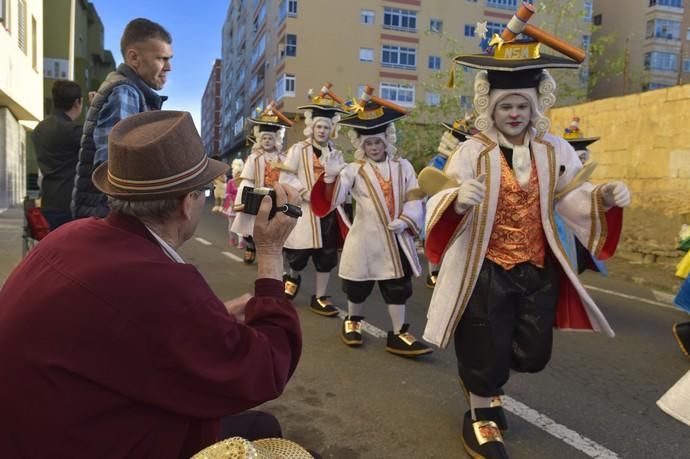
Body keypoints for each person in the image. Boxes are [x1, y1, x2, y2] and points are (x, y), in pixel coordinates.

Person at [0, 111, 304, 458]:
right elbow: (265, 369)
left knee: (258, 425)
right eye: (202, 189)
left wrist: (212, 317)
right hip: (84, 439)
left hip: (36, 429)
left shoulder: (70, 235)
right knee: (262, 433)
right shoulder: (159, 284)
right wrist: (269, 252)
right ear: (186, 203)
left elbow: (116, 328)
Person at [421, 26, 631, 458]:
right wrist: (458, 200)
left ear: (535, 106)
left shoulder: (555, 149)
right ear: (490, 109)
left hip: (536, 266)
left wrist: (604, 197)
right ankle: (480, 416)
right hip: (484, 266)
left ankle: (485, 380)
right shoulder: (472, 152)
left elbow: (572, 196)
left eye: (522, 105)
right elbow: (439, 194)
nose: (514, 113)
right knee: (484, 344)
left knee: (532, 352)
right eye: (506, 106)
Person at [311, 86, 432, 357]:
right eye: (368, 143)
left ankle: (399, 332)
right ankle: (353, 321)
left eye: (378, 142)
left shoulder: (404, 166)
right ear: (361, 145)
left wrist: (407, 219)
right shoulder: (354, 170)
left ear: (387, 141)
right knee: (358, 285)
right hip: (364, 239)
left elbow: (415, 196)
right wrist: (331, 176)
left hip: (395, 238)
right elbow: (336, 198)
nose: (374, 147)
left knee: (397, 287)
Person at [72, 18, 172, 219]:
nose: (169, 67)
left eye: (170, 59)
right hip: (106, 217)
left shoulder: (127, 90)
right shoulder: (125, 92)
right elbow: (115, 167)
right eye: (162, 59)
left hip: (101, 213)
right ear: (134, 58)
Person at [279, 83, 350, 316]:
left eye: (326, 127)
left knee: (326, 255)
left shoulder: (335, 153)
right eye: (319, 126)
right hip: (305, 210)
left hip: (328, 212)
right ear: (312, 127)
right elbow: (286, 175)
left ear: (332, 130)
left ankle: (320, 296)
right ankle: (292, 277)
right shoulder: (298, 150)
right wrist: (304, 192)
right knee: (298, 253)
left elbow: (343, 180)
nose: (322, 130)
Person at [232, 103, 293, 263]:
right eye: (264, 138)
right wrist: (244, 199)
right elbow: (247, 180)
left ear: (276, 140)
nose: (267, 141)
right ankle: (251, 246)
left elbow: (288, 177)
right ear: (259, 139)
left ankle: (272, 253)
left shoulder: (283, 158)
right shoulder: (255, 158)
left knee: (274, 226)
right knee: (254, 225)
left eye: (270, 138)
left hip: (277, 197)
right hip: (257, 197)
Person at [425, 116, 475, 288]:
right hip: (440, 202)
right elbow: (429, 179)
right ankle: (433, 271)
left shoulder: (469, 160)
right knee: (437, 233)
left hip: (462, 204)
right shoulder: (439, 160)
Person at [32, 80, 84, 230]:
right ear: (77, 102)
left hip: (47, 200)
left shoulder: (39, 129)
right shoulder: (74, 131)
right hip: (69, 203)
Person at [223, 158, 245, 247]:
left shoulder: (244, 182)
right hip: (231, 205)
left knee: (241, 223)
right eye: (237, 172)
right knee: (231, 224)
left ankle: (241, 242)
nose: (238, 174)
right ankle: (231, 238)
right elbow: (227, 194)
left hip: (241, 205)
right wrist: (232, 204)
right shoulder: (230, 182)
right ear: (234, 172)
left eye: (240, 172)